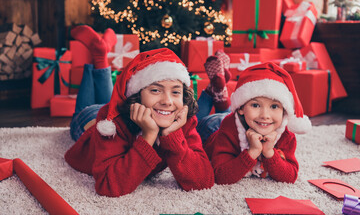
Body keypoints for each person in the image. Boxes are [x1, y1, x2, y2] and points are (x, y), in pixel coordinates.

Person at [65, 27, 214, 197]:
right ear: (137, 95)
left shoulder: (181, 118)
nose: (167, 101)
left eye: (175, 92)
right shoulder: (112, 123)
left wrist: (172, 136)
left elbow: (203, 181)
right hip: (91, 122)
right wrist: (148, 136)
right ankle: (98, 58)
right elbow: (108, 186)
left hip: (121, 109)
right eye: (155, 90)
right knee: (83, 112)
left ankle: (100, 55)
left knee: (106, 100)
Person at [196, 57, 312, 185]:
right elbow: (220, 176)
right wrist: (252, 152)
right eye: (256, 105)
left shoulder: (286, 134)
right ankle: (213, 92)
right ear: (240, 108)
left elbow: (290, 176)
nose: (265, 116)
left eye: (274, 106)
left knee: (226, 112)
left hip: (241, 118)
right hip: (211, 129)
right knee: (193, 121)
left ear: (284, 111)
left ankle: (219, 93)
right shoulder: (229, 128)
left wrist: (269, 153)